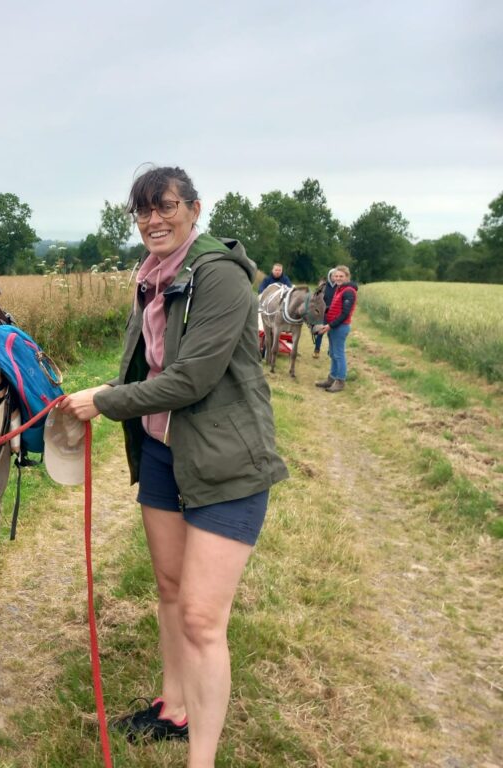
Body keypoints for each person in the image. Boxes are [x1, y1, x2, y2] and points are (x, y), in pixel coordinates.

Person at [59, 166, 288, 767]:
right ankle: (173, 707)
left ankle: (201, 759)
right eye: (142, 211)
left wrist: (105, 402)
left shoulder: (218, 276)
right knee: (167, 589)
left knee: (201, 618)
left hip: (225, 461)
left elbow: (191, 380)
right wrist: (101, 390)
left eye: (164, 207)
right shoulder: (152, 276)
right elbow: (147, 371)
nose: (151, 221)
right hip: (163, 452)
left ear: (194, 208)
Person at [313, 266, 358, 393]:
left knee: (338, 354)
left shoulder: (348, 291)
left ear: (347, 277)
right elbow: (333, 309)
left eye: (341, 276)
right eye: (336, 276)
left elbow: (345, 314)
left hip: (340, 327)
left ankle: (340, 381)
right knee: (332, 353)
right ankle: (331, 379)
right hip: (333, 326)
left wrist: (329, 326)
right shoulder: (340, 289)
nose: (338, 278)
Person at [311, 268, 337, 358]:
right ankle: (316, 350)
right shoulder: (323, 286)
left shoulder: (339, 287)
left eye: (337, 275)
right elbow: (315, 298)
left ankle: (331, 350)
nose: (335, 277)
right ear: (330, 276)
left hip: (334, 313)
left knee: (332, 333)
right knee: (320, 332)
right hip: (323, 313)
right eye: (334, 275)